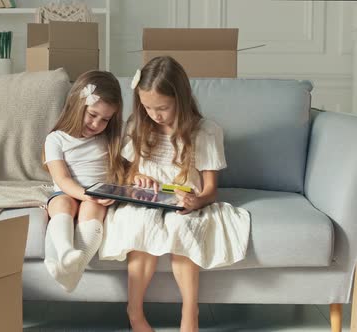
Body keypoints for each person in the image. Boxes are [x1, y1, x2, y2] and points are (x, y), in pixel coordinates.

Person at [98, 56, 251, 332]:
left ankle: (190, 313)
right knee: (140, 225)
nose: (154, 114)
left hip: (183, 201)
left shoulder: (205, 131)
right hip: (145, 200)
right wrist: (137, 177)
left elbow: (210, 190)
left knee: (183, 228)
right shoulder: (139, 124)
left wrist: (197, 201)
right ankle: (135, 312)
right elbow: (126, 173)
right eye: (147, 107)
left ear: (180, 99)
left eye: (162, 108)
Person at [43, 70, 125, 292]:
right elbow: (61, 178)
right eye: (92, 114)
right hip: (66, 192)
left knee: (92, 209)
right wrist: (86, 193)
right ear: (78, 106)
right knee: (62, 204)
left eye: (105, 119)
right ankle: (66, 252)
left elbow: (129, 169)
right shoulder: (56, 139)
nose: (97, 123)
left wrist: (106, 193)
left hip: (97, 195)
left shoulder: (109, 139)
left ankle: (72, 272)